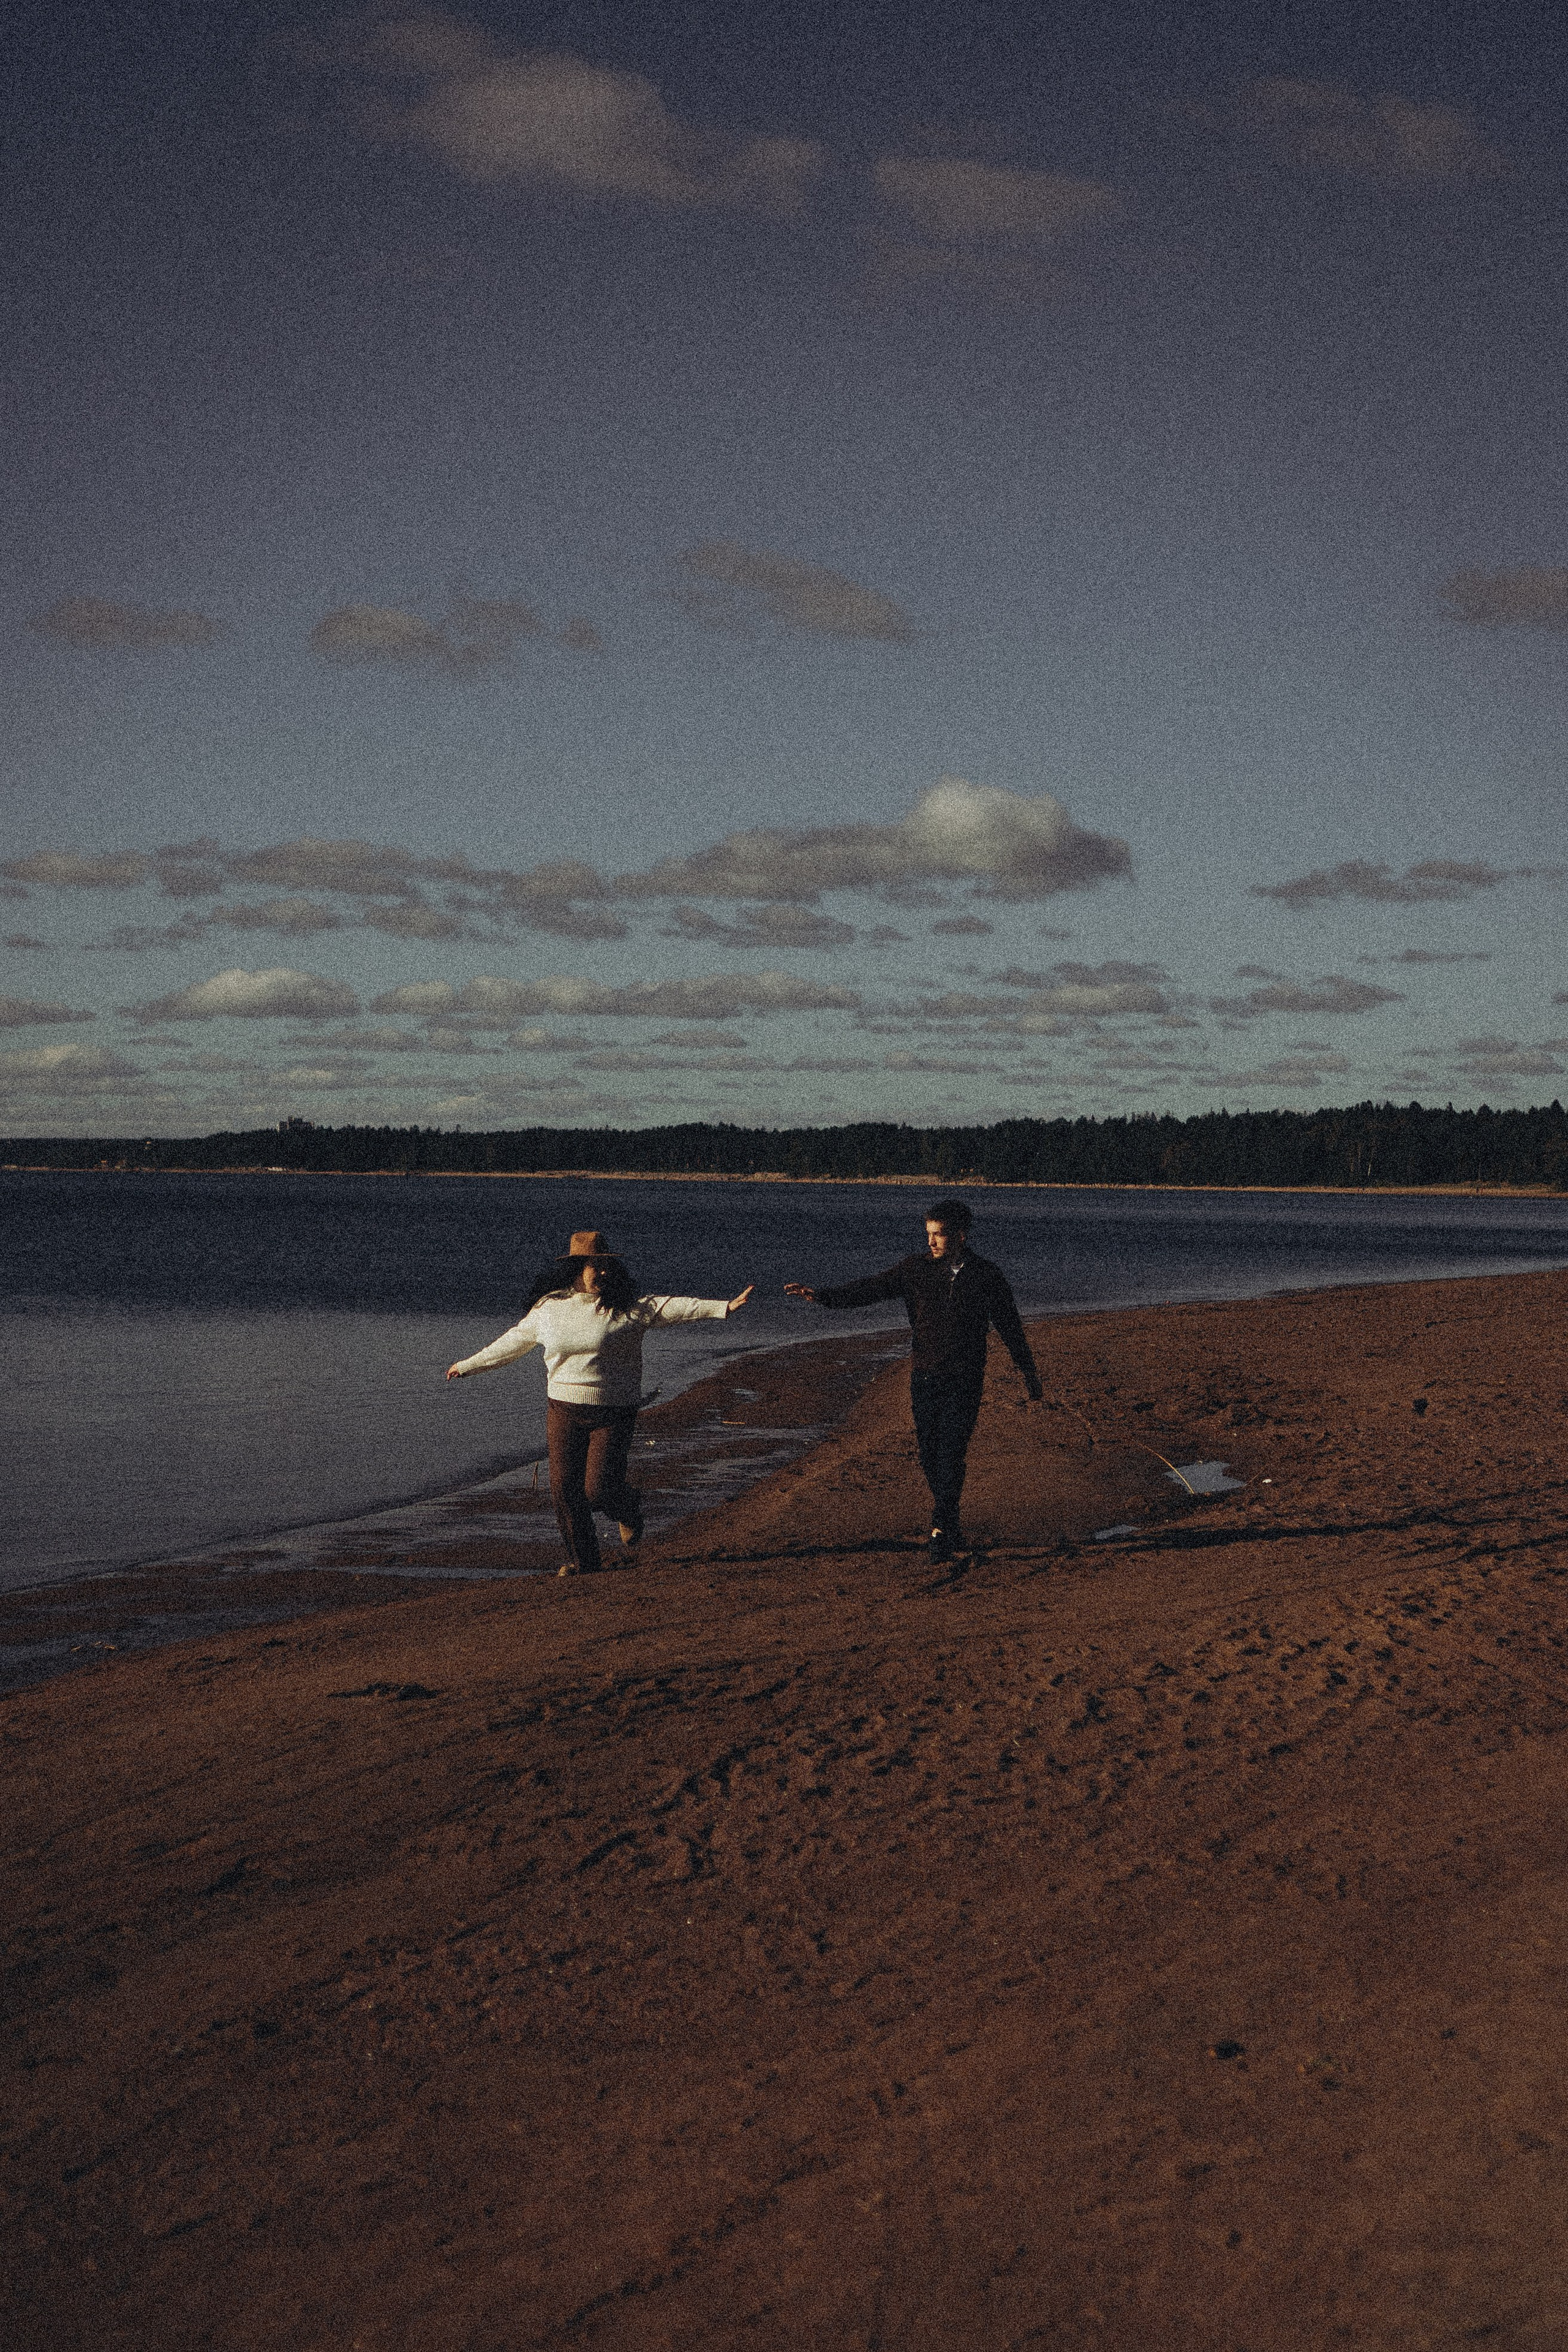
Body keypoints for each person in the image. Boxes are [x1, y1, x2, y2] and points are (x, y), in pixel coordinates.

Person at [447, 1229, 753, 1577]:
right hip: (562, 1408)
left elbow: (676, 1307)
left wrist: (724, 1307)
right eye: (596, 1267)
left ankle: (628, 1509)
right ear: (578, 1268)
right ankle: (585, 1563)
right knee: (564, 1491)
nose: (603, 1273)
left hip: (614, 1410)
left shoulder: (630, 1308)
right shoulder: (549, 1308)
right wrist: (467, 1366)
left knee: (598, 1490)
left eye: (607, 1266)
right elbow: (512, 1343)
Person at [785, 1197, 1041, 1562]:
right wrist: (822, 1296)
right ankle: (949, 1519)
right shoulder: (914, 1270)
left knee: (952, 1452)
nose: (932, 1242)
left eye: (938, 1235)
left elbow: (1010, 1326)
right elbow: (869, 1290)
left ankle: (942, 1525)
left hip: (966, 1378)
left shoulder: (987, 1275)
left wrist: (1028, 1370)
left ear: (961, 1236)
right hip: (925, 1376)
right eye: (929, 1235)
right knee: (928, 1454)